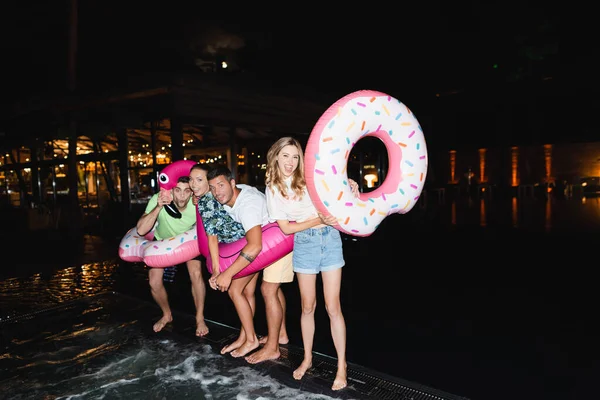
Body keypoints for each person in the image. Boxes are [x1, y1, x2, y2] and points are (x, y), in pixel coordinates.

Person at [264, 137, 358, 391]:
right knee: (307, 306)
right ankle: (307, 358)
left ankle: (342, 366)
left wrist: (350, 185)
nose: (291, 162)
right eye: (286, 156)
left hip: (330, 239)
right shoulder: (273, 188)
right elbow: (285, 228)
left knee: (333, 306)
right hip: (304, 243)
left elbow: (335, 191)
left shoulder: (310, 176)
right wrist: (318, 220)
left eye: (295, 157)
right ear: (276, 156)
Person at [207, 166, 293, 362]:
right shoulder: (233, 194)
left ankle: (266, 345)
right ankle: (276, 335)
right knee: (259, 289)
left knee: (260, 289)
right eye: (212, 188)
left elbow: (254, 245)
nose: (216, 192)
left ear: (232, 183)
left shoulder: (248, 206)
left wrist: (226, 274)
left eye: (221, 185)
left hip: (277, 240)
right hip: (267, 241)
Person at [136, 174, 210, 337]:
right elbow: (141, 230)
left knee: (196, 274)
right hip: (161, 241)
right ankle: (166, 314)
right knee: (154, 282)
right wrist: (158, 206)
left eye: (186, 190)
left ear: (192, 191)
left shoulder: (197, 201)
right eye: (178, 190)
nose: (182, 195)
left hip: (188, 241)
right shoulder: (159, 198)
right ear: (171, 190)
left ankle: (199, 318)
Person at [188, 164, 246, 286]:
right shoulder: (221, 192)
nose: (193, 184)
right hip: (250, 236)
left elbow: (212, 238)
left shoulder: (206, 201)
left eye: (199, 180)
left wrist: (216, 270)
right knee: (248, 292)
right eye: (190, 179)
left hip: (238, 246)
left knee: (235, 292)